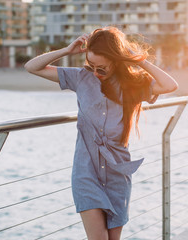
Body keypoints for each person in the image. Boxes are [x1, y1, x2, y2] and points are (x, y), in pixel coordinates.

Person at [25, 26, 178, 240]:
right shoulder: (81, 78)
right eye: (91, 65)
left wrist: (137, 60)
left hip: (118, 174)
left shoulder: (132, 85)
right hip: (86, 173)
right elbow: (32, 67)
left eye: (102, 68)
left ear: (115, 62)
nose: (96, 73)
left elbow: (170, 85)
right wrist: (67, 51)